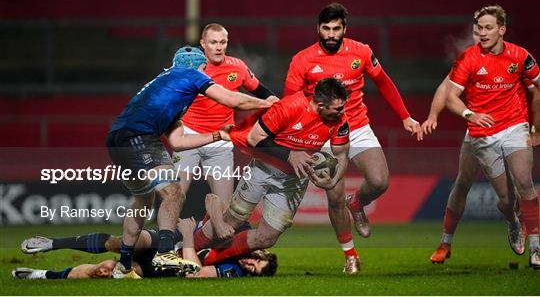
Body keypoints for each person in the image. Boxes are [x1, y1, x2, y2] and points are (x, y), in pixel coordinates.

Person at [105, 46, 272, 278]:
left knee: (143, 200)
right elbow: (231, 99)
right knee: (174, 193)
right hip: (139, 137)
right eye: (206, 70)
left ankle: (124, 266)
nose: (207, 75)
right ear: (198, 67)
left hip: (117, 139)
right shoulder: (189, 74)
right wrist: (268, 103)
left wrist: (217, 135)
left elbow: (178, 140)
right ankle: (165, 252)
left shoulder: (169, 87)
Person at [283, 2, 421, 273]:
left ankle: (357, 203)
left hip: (356, 126)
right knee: (333, 195)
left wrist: (405, 116)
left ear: (345, 29)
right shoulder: (302, 59)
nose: (331, 34)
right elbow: (289, 101)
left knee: (380, 181)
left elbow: (384, 82)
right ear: (318, 29)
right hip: (320, 133)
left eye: (336, 28)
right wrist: (297, 140)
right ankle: (350, 255)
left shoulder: (362, 52)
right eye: (326, 28)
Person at [189, 77, 351, 267]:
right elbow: (254, 138)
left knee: (267, 238)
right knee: (230, 222)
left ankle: (208, 259)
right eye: (338, 108)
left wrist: (333, 181)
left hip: (293, 181)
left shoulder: (340, 120)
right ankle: (186, 250)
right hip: (262, 169)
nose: (342, 112)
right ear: (321, 105)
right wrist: (290, 155)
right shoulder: (289, 107)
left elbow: (341, 155)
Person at [422, 25, 540, 263]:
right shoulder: (469, 58)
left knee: (519, 187)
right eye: (477, 31)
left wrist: (536, 127)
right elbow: (445, 89)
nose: (481, 36)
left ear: (501, 30)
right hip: (478, 133)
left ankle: (530, 239)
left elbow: (536, 91)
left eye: (487, 30)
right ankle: (445, 242)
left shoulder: (515, 60)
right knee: (463, 182)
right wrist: (433, 116)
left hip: (511, 128)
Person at [16, 194, 278, 279]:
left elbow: (194, 272)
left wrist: (188, 237)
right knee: (122, 241)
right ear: (261, 252)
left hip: (165, 266)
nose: (250, 264)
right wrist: (215, 222)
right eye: (256, 261)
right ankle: (51, 243)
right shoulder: (240, 234)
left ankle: (40, 275)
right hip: (168, 241)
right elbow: (213, 199)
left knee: (106, 269)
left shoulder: (233, 269)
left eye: (254, 270)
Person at [174, 23, 278, 205]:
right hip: (189, 135)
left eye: (223, 42)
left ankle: (204, 233)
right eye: (213, 42)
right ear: (203, 44)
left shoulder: (237, 67)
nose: (219, 47)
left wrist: (277, 103)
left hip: (221, 140)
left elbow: (260, 90)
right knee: (175, 197)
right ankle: (167, 233)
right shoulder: (190, 67)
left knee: (224, 205)